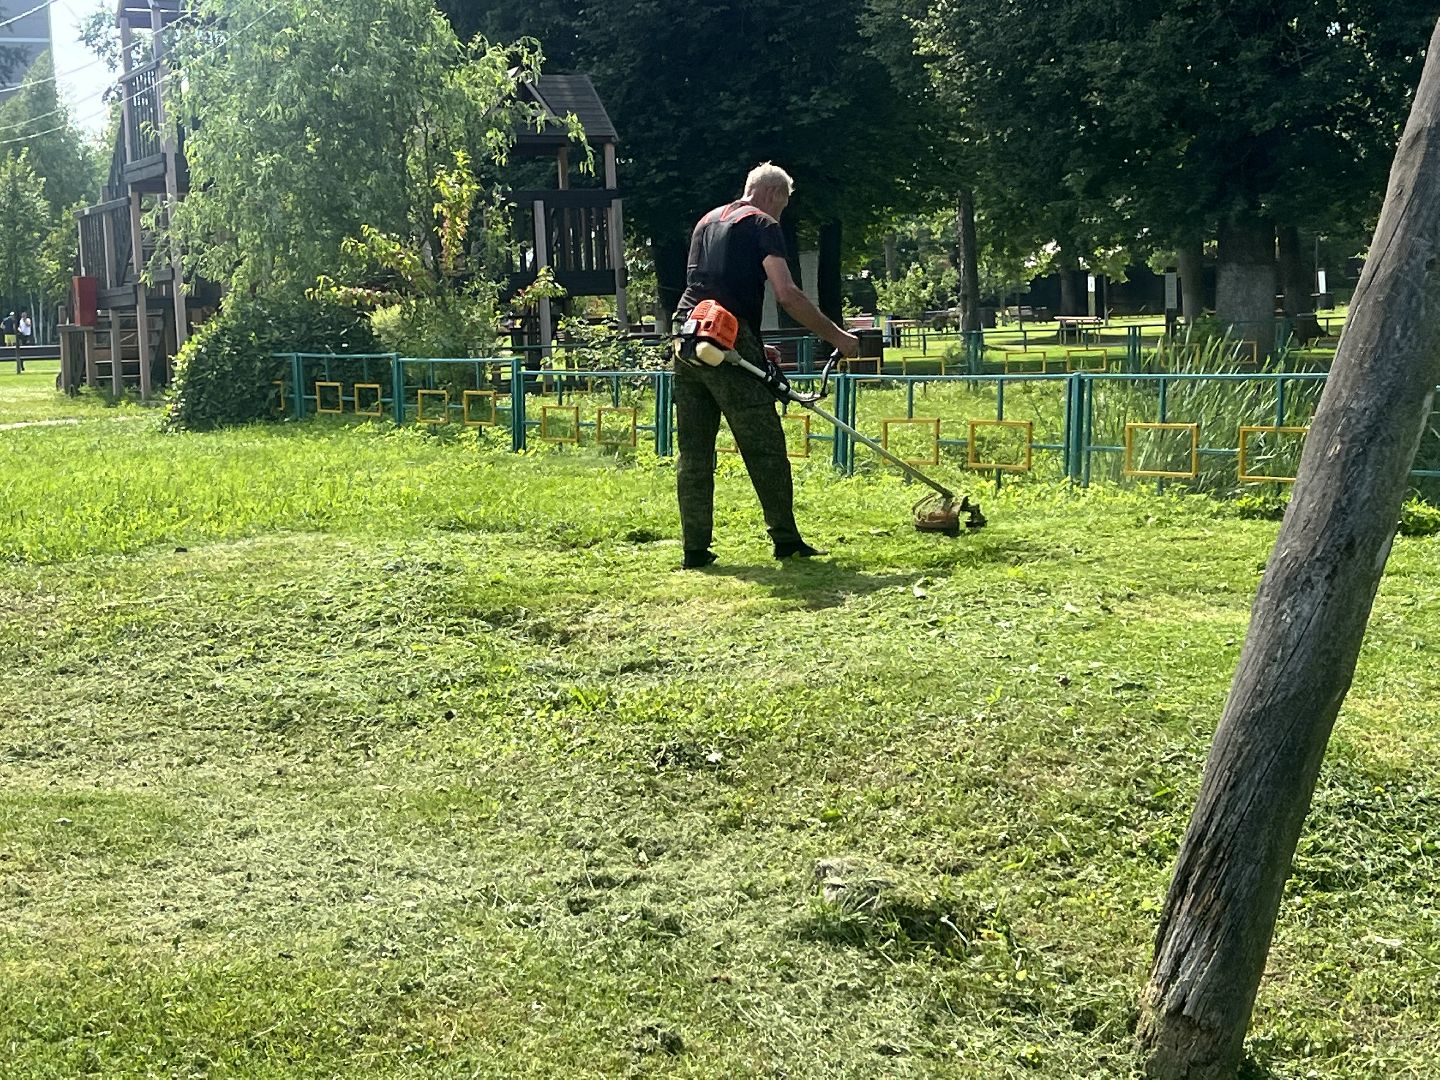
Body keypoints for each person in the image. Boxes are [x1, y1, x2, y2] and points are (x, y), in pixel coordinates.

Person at [672, 162, 859, 569]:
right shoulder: (762, 223)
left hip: (687, 336)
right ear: (775, 194)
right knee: (765, 446)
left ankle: (694, 548)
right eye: (784, 205)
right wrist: (838, 338)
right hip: (726, 337)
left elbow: (710, 288)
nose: (781, 214)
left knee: (694, 450)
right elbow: (787, 294)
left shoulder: (706, 221)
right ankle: (786, 539)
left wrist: (756, 346)